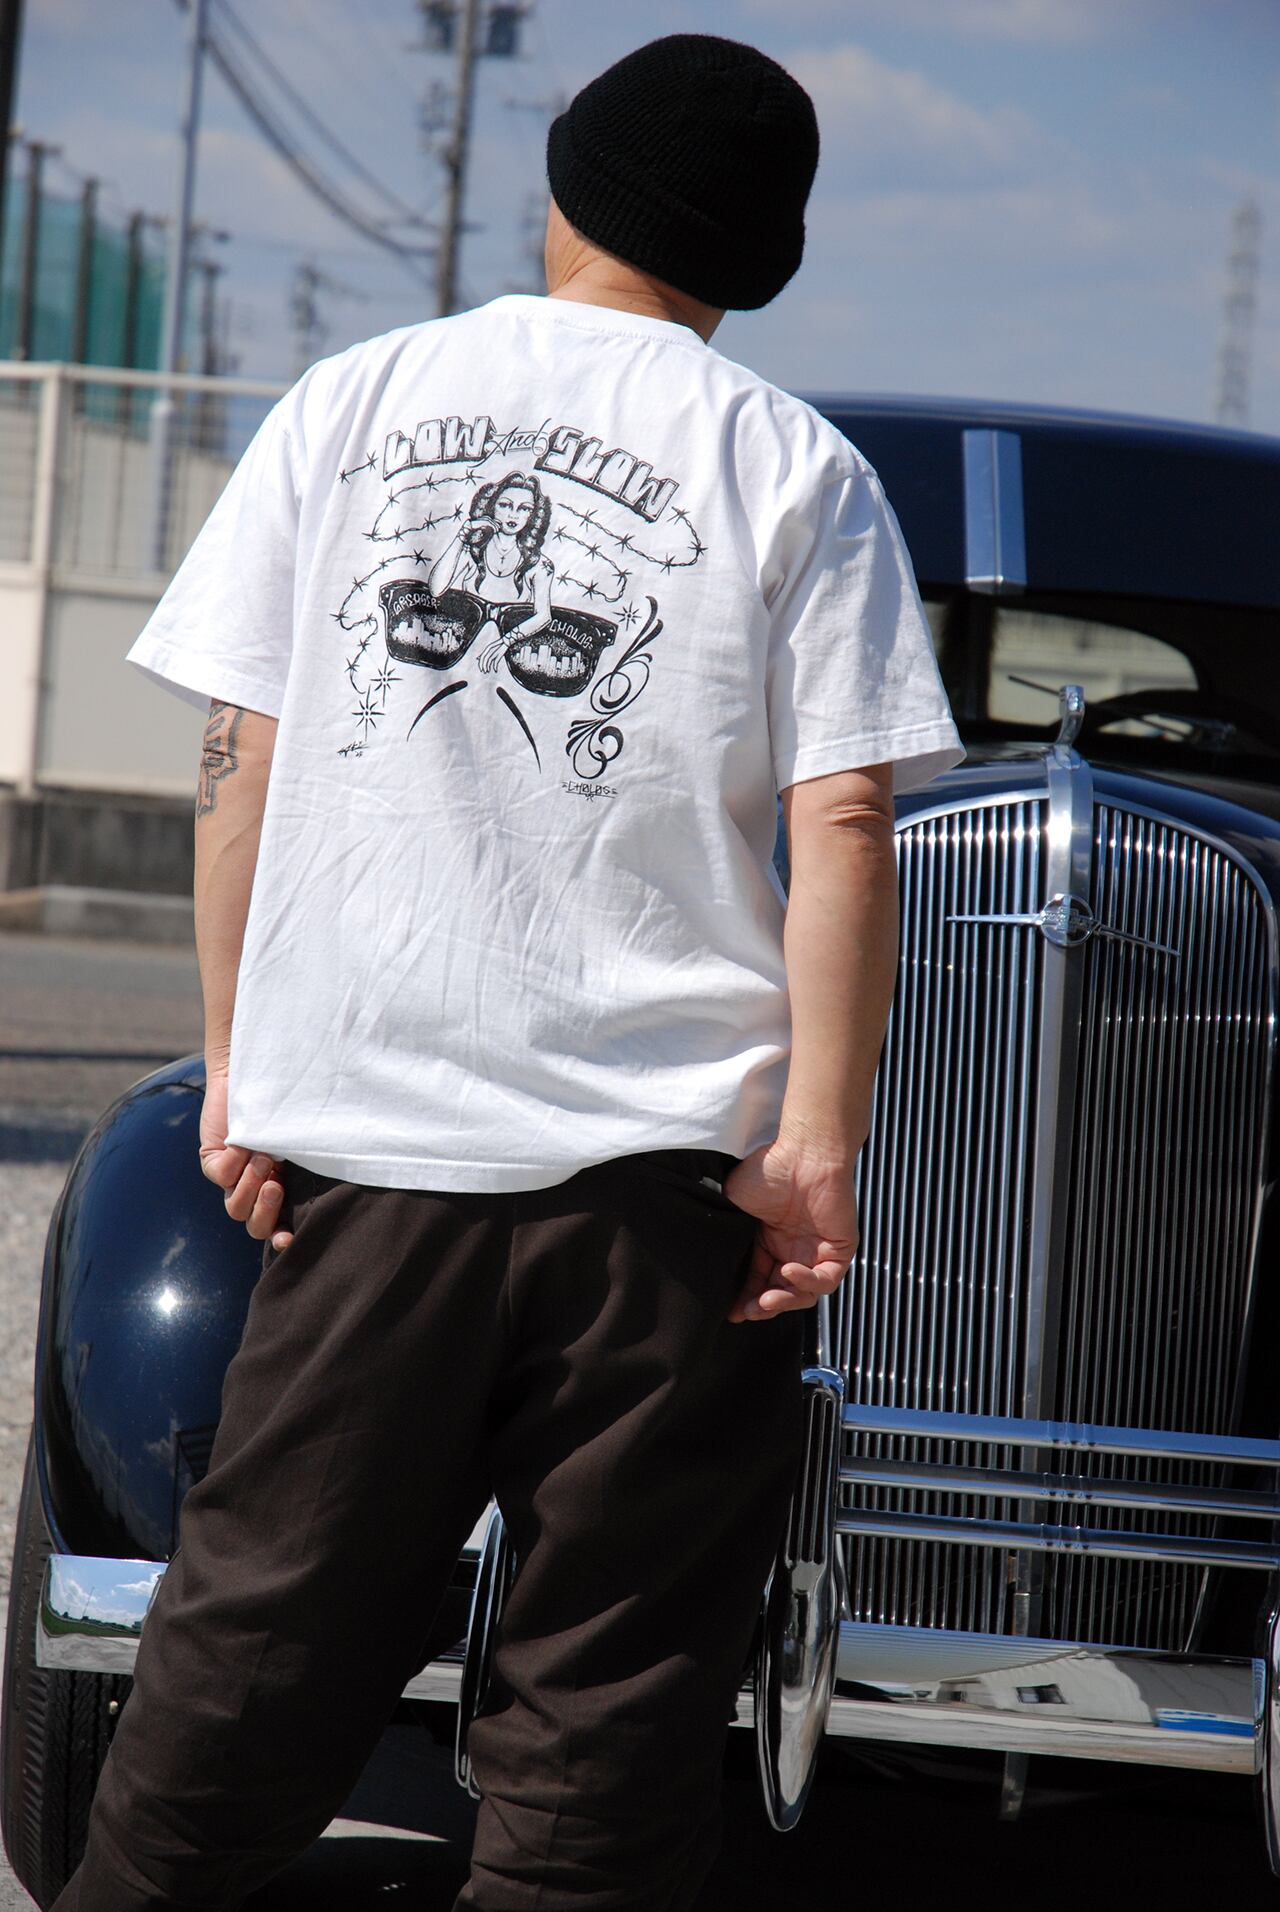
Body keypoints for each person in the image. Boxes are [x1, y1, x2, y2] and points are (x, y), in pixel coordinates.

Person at [53, 31, 963, 1912]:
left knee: (240, 1674)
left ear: (563, 192)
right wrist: (815, 1144)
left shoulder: (352, 400)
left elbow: (240, 765)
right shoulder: (798, 466)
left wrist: (241, 1065)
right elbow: (849, 820)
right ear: (761, 258)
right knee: (600, 1750)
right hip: (664, 1207)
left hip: (374, 1170)